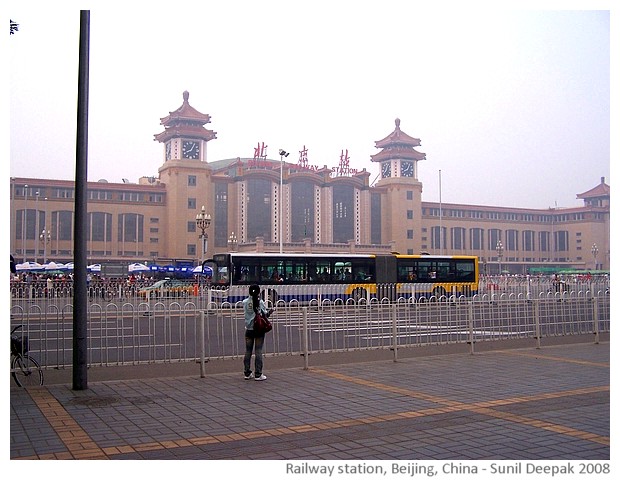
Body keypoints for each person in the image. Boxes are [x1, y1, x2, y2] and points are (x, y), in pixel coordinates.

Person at [243, 284, 272, 381]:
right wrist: (271, 312)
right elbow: (265, 316)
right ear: (259, 292)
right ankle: (258, 374)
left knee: (248, 351)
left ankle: (247, 373)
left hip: (249, 329)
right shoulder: (260, 302)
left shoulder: (245, 302)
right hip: (259, 330)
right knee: (258, 351)